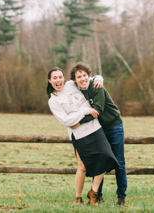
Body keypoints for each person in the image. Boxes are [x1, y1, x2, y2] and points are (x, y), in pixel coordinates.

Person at [47, 67, 119, 205]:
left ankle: (94, 192)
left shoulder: (70, 84)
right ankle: (78, 197)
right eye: (54, 78)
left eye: (60, 77)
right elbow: (66, 121)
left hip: (95, 128)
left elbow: (86, 79)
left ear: (64, 78)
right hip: (79, 134)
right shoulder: (53, 101)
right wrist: (85, 111)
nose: (58, 80)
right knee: (82, 166)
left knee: (106, 158)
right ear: (50, 81)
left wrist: (99, 78)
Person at [69, 62, 127, 206]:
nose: (82, 79)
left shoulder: (96, 86)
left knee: (118, 162)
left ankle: (121, 196)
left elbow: (97, 110)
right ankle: (97, 196)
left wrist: (78, 122)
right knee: (100, 161)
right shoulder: (76, 90)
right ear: (75, 79)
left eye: (84, 75)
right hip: (97, 129)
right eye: (79, 77)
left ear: (88, 75)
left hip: (113, 125)